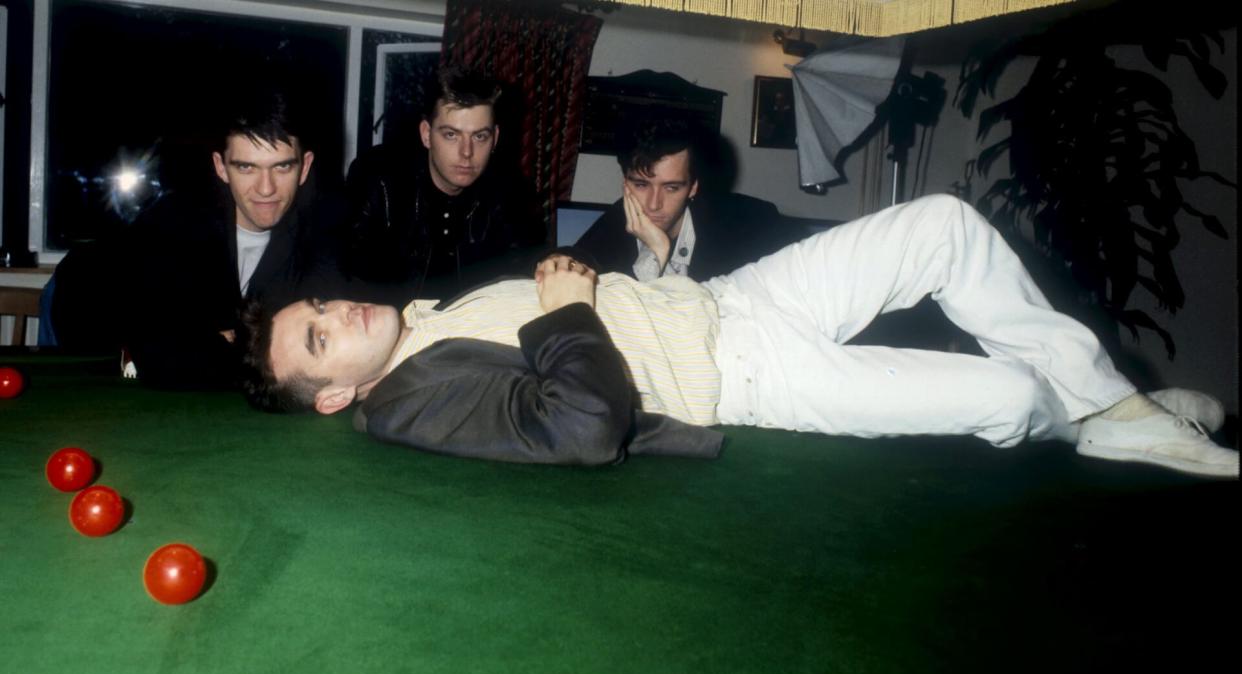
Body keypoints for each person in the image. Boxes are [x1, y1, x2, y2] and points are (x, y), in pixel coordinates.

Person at [239, 194, 1237, 477]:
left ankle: (1111, 406)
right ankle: (1087, 413)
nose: (339, 316)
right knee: (1012, 398)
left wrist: (632, 276)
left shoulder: (418, 322)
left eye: (320, 311)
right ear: (333, 396)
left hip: (735, 298)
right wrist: (564, 305)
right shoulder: (410, 403)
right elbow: (582, 426)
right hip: (749, 374)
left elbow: (600, 326)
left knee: (941, 223)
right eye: (320, 344)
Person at [52, 87, 348, 389]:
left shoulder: (322, 230)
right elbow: (167, 357)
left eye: (282, 166)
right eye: (246, 167)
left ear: (304, 167)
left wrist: (226, 339)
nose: (266, 188)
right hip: (81, 300)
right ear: (221, 167)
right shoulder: (178, 224)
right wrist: (234, 342)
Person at [341, 66, 545, 306]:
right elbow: (345, 277)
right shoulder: (378, 180)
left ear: (495, 139)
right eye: (451, 135)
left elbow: (524, 273)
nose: (467, 152)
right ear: (426, 134)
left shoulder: (508, 191)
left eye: (480, 136)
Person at [572, 119, 804, 283]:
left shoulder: (753, 222)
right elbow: (569, 261)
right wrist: (655, 251)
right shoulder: (614, 223)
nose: (653, 204)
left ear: (693, 186)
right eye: (641, 185)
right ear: (626, 183)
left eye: (671, 187)